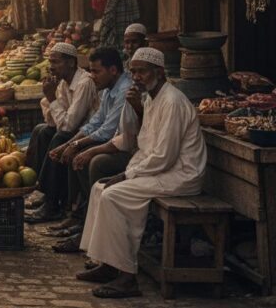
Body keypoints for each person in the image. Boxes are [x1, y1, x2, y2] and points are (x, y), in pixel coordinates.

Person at [78, 48, 206, 298]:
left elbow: (164, 156)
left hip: (181, 175)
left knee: (113, 196)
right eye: (133, 71)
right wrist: (130, 171)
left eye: (142, 71)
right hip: (161, 170)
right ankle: (107, 264)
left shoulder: (172, 101)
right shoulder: (151, 99)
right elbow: (143, 144)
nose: (136, 77)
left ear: (159, 72)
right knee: (100, 188)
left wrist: (128, 175)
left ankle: (127, 278)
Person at [46, 47, 139, 253]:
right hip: (114, 142)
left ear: (113, 70)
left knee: (92, 161)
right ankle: (78, 216)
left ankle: (91, 222)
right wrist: (70, 145)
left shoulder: (124, 91)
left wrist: (79, 146)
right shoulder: (107, 90)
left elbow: (107, 131)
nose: (92, 76)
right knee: (72, 151)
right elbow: (94, 123)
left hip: (128, 150)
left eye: (96, 71)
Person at [25, 42, 98, 222]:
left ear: (71, 63)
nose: (51, 67)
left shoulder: (84, 82)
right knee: (41, 131)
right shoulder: (64, 84)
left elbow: (68, 126)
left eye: (56, 62)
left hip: (88, 132)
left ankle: (52, 204)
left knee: (60, 137)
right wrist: (50, 98)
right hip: (72, 129)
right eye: (50, 62)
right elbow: (52, 121)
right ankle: (43, 191)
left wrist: (51, 98)